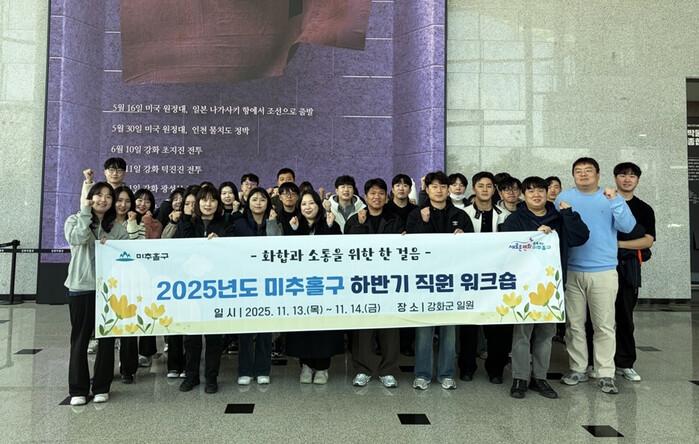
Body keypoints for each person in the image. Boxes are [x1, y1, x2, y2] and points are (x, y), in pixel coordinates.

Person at [501, 176, 589, 399]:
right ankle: (520, 378)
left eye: (540, 190)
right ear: (524, 195)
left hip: (552, 285)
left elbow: (580, 237)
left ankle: (540, 377)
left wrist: (568, 214)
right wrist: (534, 238)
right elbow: (506, 251)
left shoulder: (559, 217)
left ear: (547, 192)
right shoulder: (514, 220)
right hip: (524, 285)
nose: (536, 195)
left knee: (546, 333)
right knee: (522, 334)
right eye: (530, 191)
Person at [555, 157, 636, 395]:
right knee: (574, 324)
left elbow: (628, 227)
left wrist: (616, 201)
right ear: (573, 175)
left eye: (588, 170)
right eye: (578, 171)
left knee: (604, 325)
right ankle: (577, 368)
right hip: (571, 270)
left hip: (604, 271)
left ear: (598, 175)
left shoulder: (610, 197)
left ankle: (605, 373)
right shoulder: (563, 198)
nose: (583, 174)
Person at [406, 171, 474, 390]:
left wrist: (463, 237)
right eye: (434, 186)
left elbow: (473, 247)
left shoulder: (460, 215)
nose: (439, 190)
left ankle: (446, 374)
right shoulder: (416, 214)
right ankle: (422, 374)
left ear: (448, 190)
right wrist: (425, 222)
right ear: (427, 190)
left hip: (451, 281)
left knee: (449, 331)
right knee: (424, 331)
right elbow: (412, 247)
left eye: (443, 186)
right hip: (424, 280)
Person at [64, 182, 128, 406]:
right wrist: (84, 211)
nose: (103, 199)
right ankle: (78, 389)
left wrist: (111, 248)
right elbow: (77, 238)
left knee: (107, 340)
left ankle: (102, 386)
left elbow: (126, 257)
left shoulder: (117, 229)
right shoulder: (74, 220)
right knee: (80, 340)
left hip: (108, 290)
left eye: (108, 196)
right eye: (99, 195)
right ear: (90, 198)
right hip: (81, 287)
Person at [344, 179, 404, 388]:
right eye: (372, 193)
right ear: (365, 197)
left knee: (389, 328)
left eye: (380, 193)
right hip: (363, 281)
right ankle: (363, 369)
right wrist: (360, 226)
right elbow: (349, 248)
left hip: (389, 281)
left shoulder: (395, 219)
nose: (376, 197)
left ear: (386, 197)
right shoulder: (355, 220)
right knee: (364, 327)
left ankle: (388, 370)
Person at [285, 190, 344, 384]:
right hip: (301, 287)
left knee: (323, 328)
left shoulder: (330, 223)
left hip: (324, 286)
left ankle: (322, 367)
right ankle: (305, 365)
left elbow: (337, 251)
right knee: (303, 328)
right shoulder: (295, 224)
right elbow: (287, 254)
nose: (307, 207)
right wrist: (293, 231)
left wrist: (330, 227)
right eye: (303, 204)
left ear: (318, 205)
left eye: (311, 203)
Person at [460, 171, 512, 384]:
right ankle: (467, 367)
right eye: (480, 186)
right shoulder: (462, 214)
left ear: (494, 189)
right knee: (469, 325)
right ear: (474, 188)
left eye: (489, 186)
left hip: (497, 277)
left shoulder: (505, 215)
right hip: (470, 277)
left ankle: (495, 369)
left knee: (498, 325)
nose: (484, 189)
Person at [179, 186, 230, 394]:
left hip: (214, 288)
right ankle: (191, 376)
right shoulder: (188, 223)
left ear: (218, 203)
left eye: (212, 200)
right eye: (204, 200)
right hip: (191, 288)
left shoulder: (226, 224)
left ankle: (211, 378)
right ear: (197, 203)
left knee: (214, 337)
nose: (208, 204)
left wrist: (221, 244)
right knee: (191, 336)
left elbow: (233, 254)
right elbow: (178, 249)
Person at [230, 187, 281, 386]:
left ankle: (262, 369)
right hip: (246, 282)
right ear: (248, 202)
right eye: (254, 199)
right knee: (245, 329)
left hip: (268, 282)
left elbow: (278, 247)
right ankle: (244, 370)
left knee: (265, 329)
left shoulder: (274, 222)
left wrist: (272, 223)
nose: (258, 203)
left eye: (262, 199)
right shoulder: (239, 223)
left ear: (268, 203)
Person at [612, 162, 655, 381]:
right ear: (615, 178)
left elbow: (647, 241)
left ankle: (625, 363)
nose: (627, 179)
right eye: (622, 175)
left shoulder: (644, 208)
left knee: (625, 316)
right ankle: (594, 361)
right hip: (602, 265)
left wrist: (617, 245)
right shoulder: (606, 203)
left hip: (629, 267)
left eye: (632, 176)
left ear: (637, 180)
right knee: (596, 317)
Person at [383, 174, 418, 355]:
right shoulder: (385, 209)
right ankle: (386, 345)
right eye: (398, 185)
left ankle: (406, 344)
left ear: (410, 189)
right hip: (388, 264)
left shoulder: (417, 210)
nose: (402, 188)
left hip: (411, 265)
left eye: (405, 185)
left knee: (408, 305)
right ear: (392, 188)